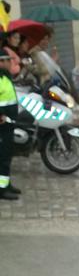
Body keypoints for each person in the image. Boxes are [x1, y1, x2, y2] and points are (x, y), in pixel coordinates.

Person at [0, 46, 20, 200]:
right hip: (2, 125)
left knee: (7, 155)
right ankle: (1, 189)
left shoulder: (5, 77)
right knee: (3, 157)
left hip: (9, 123)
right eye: (7, 60)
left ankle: (6, 184)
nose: (9, 63)